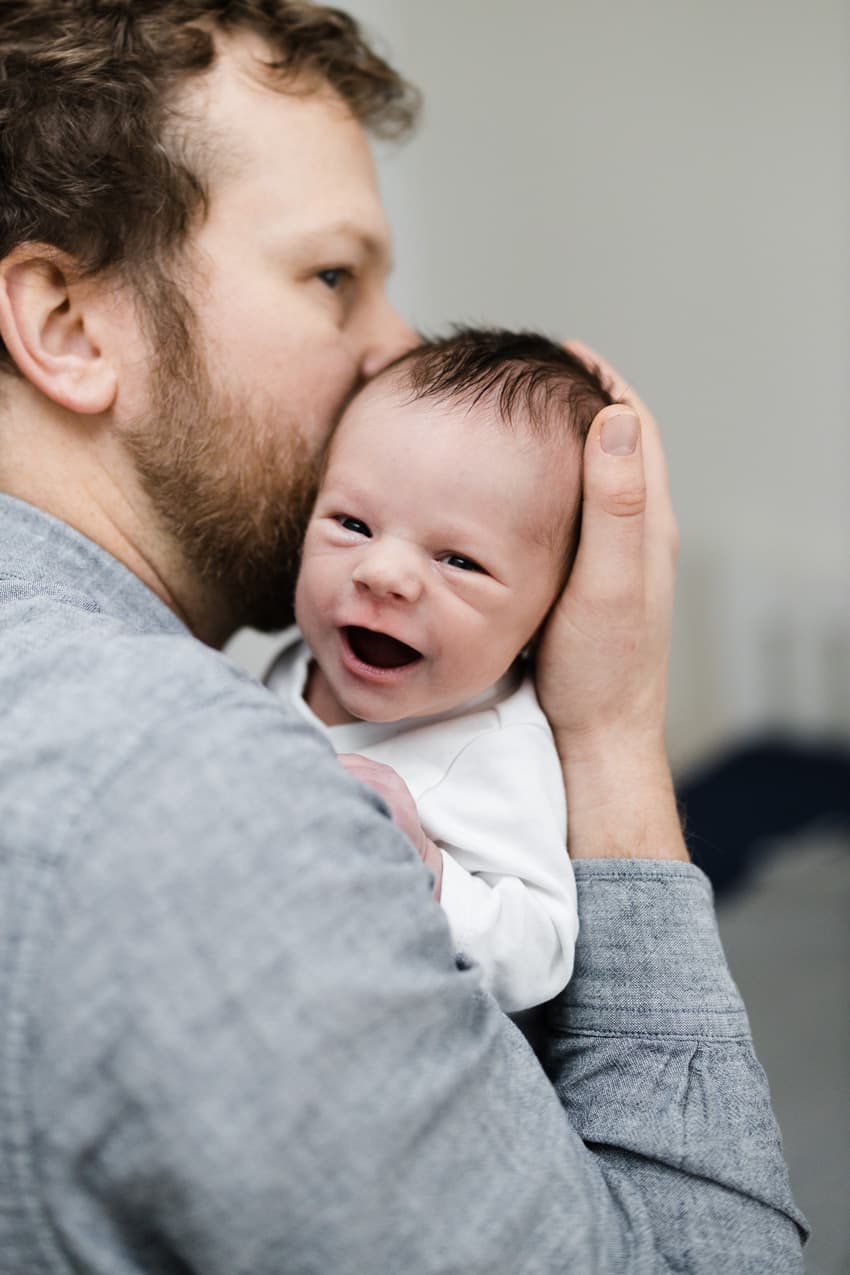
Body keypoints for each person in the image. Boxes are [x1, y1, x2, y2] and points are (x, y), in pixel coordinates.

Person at [0, 3, 807, 1272]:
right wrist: (610, 739)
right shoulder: (203, 802)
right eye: (333, 276)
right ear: (67, 325)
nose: (395, 349)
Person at [268, 327, 617, 1014]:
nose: (383, 573)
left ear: (546, 615)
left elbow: (541, 950)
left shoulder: (497, 750)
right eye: (352, 524)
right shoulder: (308, 656)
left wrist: (426, 868)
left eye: (459, 561)